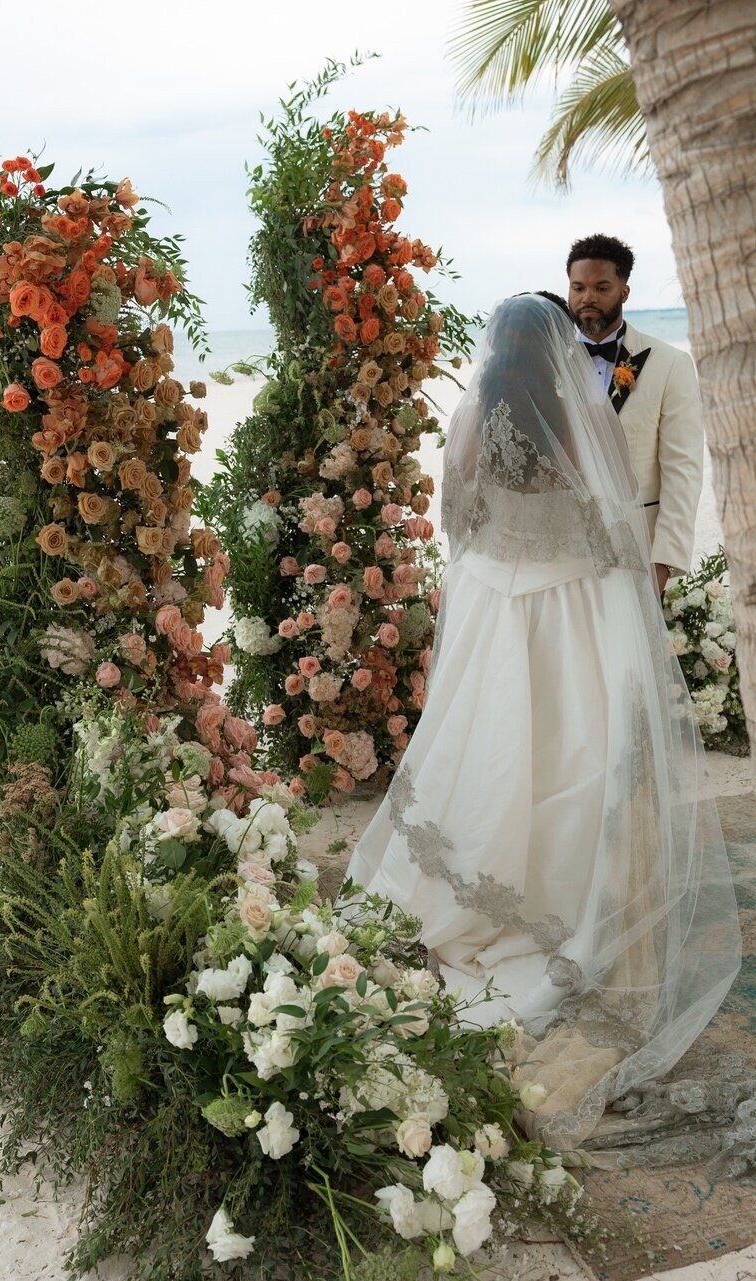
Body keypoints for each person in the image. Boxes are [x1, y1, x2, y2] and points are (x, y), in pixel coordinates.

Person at [344, 294, 740, 1165]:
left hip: (492, 607)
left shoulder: (471, 422)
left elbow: (457, 524)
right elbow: (612, 545)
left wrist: (500, 568)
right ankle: (558, 907)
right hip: (566, 616)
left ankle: (474, 898)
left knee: (484, 758)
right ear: (561, 352)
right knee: (573, 764)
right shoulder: (577, 419)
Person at [566, 233, 704, 595]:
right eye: (578, 287)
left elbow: (683, 470)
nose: (587, 298)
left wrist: (663, 562)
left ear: (624, 292)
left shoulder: (670, 364)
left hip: (637, 553)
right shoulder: (550, 364)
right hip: (561, 556)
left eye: (601, 287)